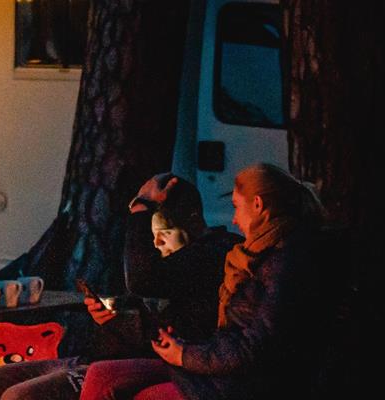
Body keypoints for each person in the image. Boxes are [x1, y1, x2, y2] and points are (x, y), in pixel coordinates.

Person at [0, 173, 238, 400]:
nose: (155, 244)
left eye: (163, 234)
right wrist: (113, 318)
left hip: (149, 365)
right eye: (151, 235)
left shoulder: (212, 255)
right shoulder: (172, 264)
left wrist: (141, 207)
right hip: (98, 358)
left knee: (20, 396)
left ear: (192, 221)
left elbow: (145, 284)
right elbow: (144, 308)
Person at [80, 164, 325, 400]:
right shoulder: (247, 258)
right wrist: (120, 321)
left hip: (228, 382)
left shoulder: (272, 263)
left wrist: (185, 355)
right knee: (100, 374)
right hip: (208, 370)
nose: (235, 220)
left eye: (236, 207)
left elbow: (252, 345)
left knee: (110, 381)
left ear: (258, 205)